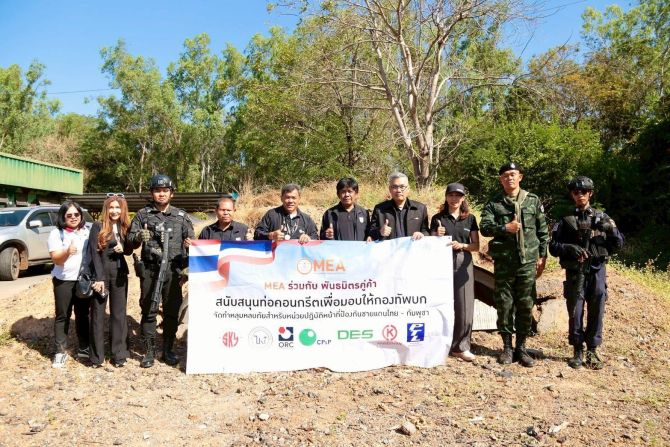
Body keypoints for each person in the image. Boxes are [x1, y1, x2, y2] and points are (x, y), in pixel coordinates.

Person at [549, 176, 624, 370]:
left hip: (597, 270)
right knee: (575, 310)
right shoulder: (565, 220)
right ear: (572, 195)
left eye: (583, 192)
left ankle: (592, 350)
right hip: (575, 272)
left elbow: (619, 244)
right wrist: (569, 248)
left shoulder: (602, 217)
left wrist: (609, 229)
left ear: (590, 193)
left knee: (597, 308)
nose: (580, 195)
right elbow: (553, 247)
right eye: (576, 192)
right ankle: (577, 350)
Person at [480, 162, 548, 367]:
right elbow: (485, 228)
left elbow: (543, 231)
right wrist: (505, 228)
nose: (509, 178)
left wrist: (542, 257)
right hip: (504, 263)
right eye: (505, 175)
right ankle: (507, 348)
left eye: (513, 174)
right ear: (501, 180)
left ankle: (521, 347)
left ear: (520, 177)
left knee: (526, 304)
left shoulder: (532, 200)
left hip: (527, 262)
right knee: (505, 305)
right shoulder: (494, 203)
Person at [128, 174, 194, 368]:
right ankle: (149, 351)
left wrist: (186, 268)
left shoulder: (181, 216)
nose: (161, 194)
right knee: (149, 310)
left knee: (172, 312)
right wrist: (138, 236)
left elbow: (191, 243)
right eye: (157, 191)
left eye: (165, 190)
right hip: (150, 270)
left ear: (171, 193)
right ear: (152, 193)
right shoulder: (143, 214)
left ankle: (168, 350)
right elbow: (130, 239)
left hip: (173, 272)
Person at [430, 183, 480, 362]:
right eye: (451, 195)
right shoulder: (437, 218)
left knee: (464, 304)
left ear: (463, 198)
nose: (454, 199)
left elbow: (476, 245)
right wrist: (436, 234)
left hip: (462, 261)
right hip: (440, 262)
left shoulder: (470, 219)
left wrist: (463, 245)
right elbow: (430, 242)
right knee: (439, 302)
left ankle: (461, 347)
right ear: (446, 197)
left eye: (458, 196)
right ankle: (438, 343)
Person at [88, 194, 134, 368]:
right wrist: (99, 278)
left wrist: (125, 247)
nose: (115, 211)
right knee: (98, 314)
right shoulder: (97, 226)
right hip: (102, 272)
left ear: (123, 209)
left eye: (118, 207)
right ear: (106, 209)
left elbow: (129, 250)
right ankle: (97, 357)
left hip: (119, 273)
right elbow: (94, 253)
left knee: (119, 314)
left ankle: (119, 354)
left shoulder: (125, 227)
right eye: (111, 207)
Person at [47, 201, 91, 368]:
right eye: (69, 215)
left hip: (83, 280)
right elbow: (56, 260)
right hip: (63, 281)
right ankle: (60, 351)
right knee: (62, 315)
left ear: (81, 215)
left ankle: (84, 347)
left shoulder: (87, 231)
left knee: (83, 315)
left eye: (76, 214)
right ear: (63, 217)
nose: (73, 217)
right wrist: (67, 252)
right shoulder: (56, 233)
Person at [369, 172, 429, 241]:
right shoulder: (379, 209)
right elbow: (371, 232)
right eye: (394, 187)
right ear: (390, 189)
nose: (398, 190)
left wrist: (421, 234)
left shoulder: (420, 208)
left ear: (408, 189)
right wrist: (380, 231)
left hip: (412, 247)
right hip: (389, 248)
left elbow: (426, 231)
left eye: (402, 187)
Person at [254, 184, 318, 243]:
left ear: (299, 199)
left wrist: (308, 238)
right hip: (276, 251)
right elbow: (257, 234)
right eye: (287, 197)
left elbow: (316, 237)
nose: (290, 201)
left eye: (293, 198)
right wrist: (271, 235)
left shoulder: (307, 219)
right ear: (281, 198)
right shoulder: (271, 215)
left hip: (298, 252)